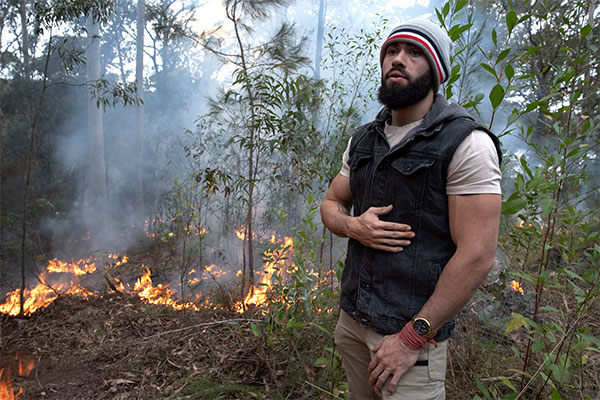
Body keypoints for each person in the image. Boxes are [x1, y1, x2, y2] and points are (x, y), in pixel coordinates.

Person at [320, 19, 502, 399]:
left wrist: (411, 337)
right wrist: (354, 227)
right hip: (353, 324)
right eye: (392, 51)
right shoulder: (364, 139)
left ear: (436, 72)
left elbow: (478, 255)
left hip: (411, 346)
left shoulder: (466, 143)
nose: (398, 59)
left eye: (414, 52)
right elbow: (331, 203)